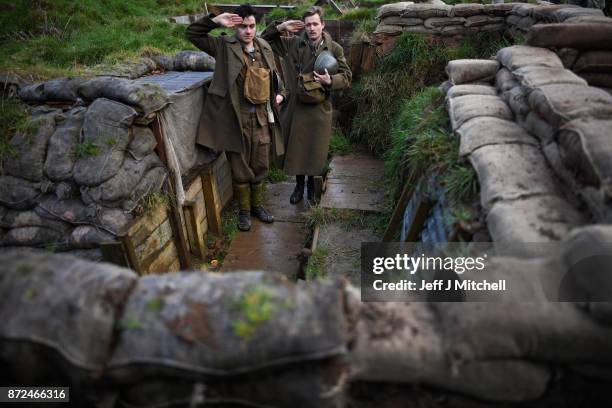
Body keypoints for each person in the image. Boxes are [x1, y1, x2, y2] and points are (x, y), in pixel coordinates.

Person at [186, 4, 286, 231]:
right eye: (242, 27)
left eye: (251, 26)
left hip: (261, 117)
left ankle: (257, 207)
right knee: (239, 165)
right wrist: (214, 21)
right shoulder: (223, 46)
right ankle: (243, 212)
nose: (248, 31)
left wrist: (280, 95)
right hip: (236, 118)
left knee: (261, 163)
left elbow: (276, 77)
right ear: (235, 27)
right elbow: (192, 34)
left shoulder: (263, 47)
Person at [262, 6, 352, 204]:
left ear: (323, 25)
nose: (311, 28)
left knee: (315, 150)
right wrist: (281, 27)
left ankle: (312, 186)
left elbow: (347, 77)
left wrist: (330, 81)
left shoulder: (334, 48)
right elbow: (264, 40)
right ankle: (299, 185)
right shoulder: (293, 43)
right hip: (296, 105)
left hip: (319, 107)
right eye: (308, 24)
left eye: (315, 24)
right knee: (297, 149)